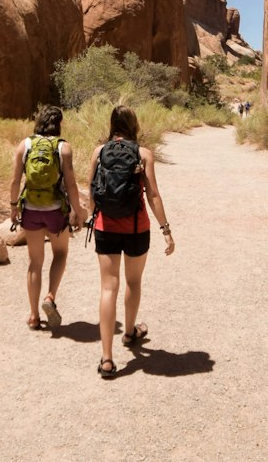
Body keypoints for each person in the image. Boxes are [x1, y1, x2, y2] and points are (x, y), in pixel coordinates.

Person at [89, 104, 174, 378]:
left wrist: (93, 216)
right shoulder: (144, 154)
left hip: (105, 227)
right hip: (137, 228)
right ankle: (128, 333)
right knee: (133, 282)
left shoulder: (98, 152)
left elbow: (92, 191)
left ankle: (106, 359)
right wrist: (166, 229)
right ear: (133, 125)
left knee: (107, 288)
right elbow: (153, 195)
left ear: (112, 125)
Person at [9, 104, 83, 331]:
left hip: (31, 209)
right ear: (58, 124)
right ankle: (50, 297)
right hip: (55, 210)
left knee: (34, 262)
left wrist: (14, 207)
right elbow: (70, 183)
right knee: (60, 253)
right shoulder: (63, 147)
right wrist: (77, 211)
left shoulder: (26, 145)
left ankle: (33, 316)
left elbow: (14, 181)